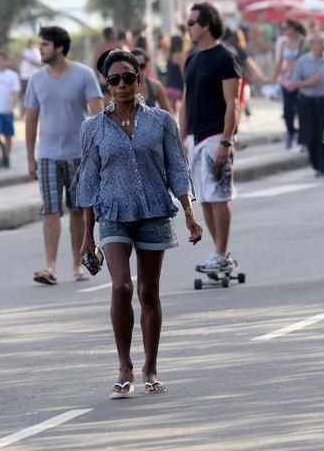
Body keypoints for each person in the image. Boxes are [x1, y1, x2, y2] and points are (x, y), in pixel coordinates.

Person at [77, 49, 202, 398]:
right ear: (106, 83)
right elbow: (87, 183)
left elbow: (177, 169)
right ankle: (124, 366)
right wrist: (87, 237)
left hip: (154, 212)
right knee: (122, 288)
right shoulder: (92, 128)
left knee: (148, 291)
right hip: (113, 215)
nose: (121, 85)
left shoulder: (161, 121)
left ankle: (150, 367)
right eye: (113, 79)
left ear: (139, 78)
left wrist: (190, 215)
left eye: (127, 78)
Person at [25, 26, 103, 285]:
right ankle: (49, 266)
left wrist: (99, 152)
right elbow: (31, 119)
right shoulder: (36, 79)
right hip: (47, 155)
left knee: (78, 212)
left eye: (44, 45)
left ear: (59, 48)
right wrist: (30, 157)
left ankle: (77, 265)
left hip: (79, 156)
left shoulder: (84, 75)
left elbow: (97, 114)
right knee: (50, 211)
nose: (40, 49)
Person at [179, 2, 241, 272]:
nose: (187, 28)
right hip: (194, 138)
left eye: (191, 23)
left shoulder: (225, 57)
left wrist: (226, 141)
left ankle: (220, 253)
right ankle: (221, 254)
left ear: (206, 26)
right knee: (204, 198)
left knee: (219, 196)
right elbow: (185, 100)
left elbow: (233, 103)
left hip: (216, 136)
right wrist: (180, 138)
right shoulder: (191, 58)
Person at [291, 32, 324, 177]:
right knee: (311, 135)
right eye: (320, 42)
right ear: (312, 45)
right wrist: (309, 82)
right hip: (308, 102)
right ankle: (316, 165)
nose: (323, 45)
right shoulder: (303, 61)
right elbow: (294, 82)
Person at [274, 19, 307, 149]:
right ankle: (291, 132)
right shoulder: (284, 43)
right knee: (287, 111)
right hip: (287, 79)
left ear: (293, 28)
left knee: (301, 110)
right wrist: (275, 75)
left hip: (301, 80)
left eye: (286, 27)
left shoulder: (303, 41)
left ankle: (303, 139)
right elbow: (279, 61)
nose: (284, 30)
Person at [131, 47, 173, 113]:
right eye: (135, 66)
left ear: (146, 65)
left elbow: (169, 113)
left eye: (141, 66)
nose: (138, 70)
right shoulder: (124, 86)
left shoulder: (155, 86)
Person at [19, 39, 41, 115]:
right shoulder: (24, 51)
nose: (28, 44)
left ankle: (36, 111)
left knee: (34, 95)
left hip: (32, 77)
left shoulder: (36, 52)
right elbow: (20, 60)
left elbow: (37, 63)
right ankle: (23, 112)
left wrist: (27, 59)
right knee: (23, 95)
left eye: (29, 43)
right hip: (24, 76)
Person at [165, 35, 185, 117]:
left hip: (169, 87)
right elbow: (183, 73)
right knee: (182, 111)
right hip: (179, 88)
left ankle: (173, 128)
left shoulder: (168, 55)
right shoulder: (179, 56)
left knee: (172, 114)